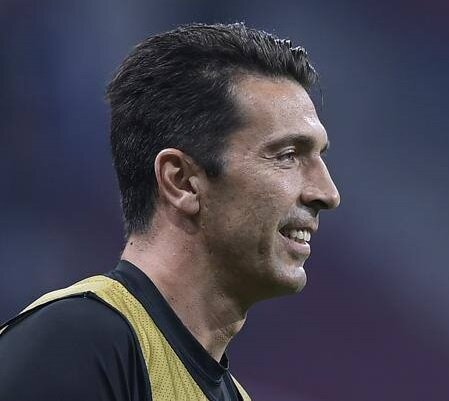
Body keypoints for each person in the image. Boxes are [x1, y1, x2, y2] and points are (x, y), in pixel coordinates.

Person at [0, 22, 340, 401]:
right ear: (181, 182)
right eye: (287, 155)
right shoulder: (76, 346)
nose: (327, 194)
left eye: (319, 157)